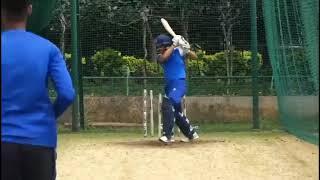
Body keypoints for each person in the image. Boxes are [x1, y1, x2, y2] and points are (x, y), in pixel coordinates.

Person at [1, 0, 75, 179]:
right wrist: (49, 115)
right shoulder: (49, 49)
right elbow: (67, 93)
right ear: (30, 9)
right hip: (40, 140)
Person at [155, 34, 199, 143]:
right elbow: (164, 58)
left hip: (179, 83)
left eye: (160, 46)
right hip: (169, 86)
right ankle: (191, 133)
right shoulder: (160, 56)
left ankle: (167, 135)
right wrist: (174, 45)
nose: (158, 48)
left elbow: (195, 57)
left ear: (165, 45)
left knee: (168, 104)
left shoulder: (179, 51)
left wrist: (186, 48)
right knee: (176, 112)